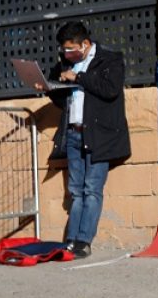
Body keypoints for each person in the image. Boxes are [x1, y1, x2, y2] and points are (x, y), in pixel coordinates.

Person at [42, 21, 131, 259]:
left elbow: (109, 89)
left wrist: (78, 77)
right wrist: (50, 88)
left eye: (71, 49)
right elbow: (64, 102)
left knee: (92, 189)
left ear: (85, 43)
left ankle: (84, 240)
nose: (67, 54)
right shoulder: (66, 64)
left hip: (98, 134)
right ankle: (71, 240)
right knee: (75, 190)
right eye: (64, 50)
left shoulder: (109, 59)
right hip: (72, 132)